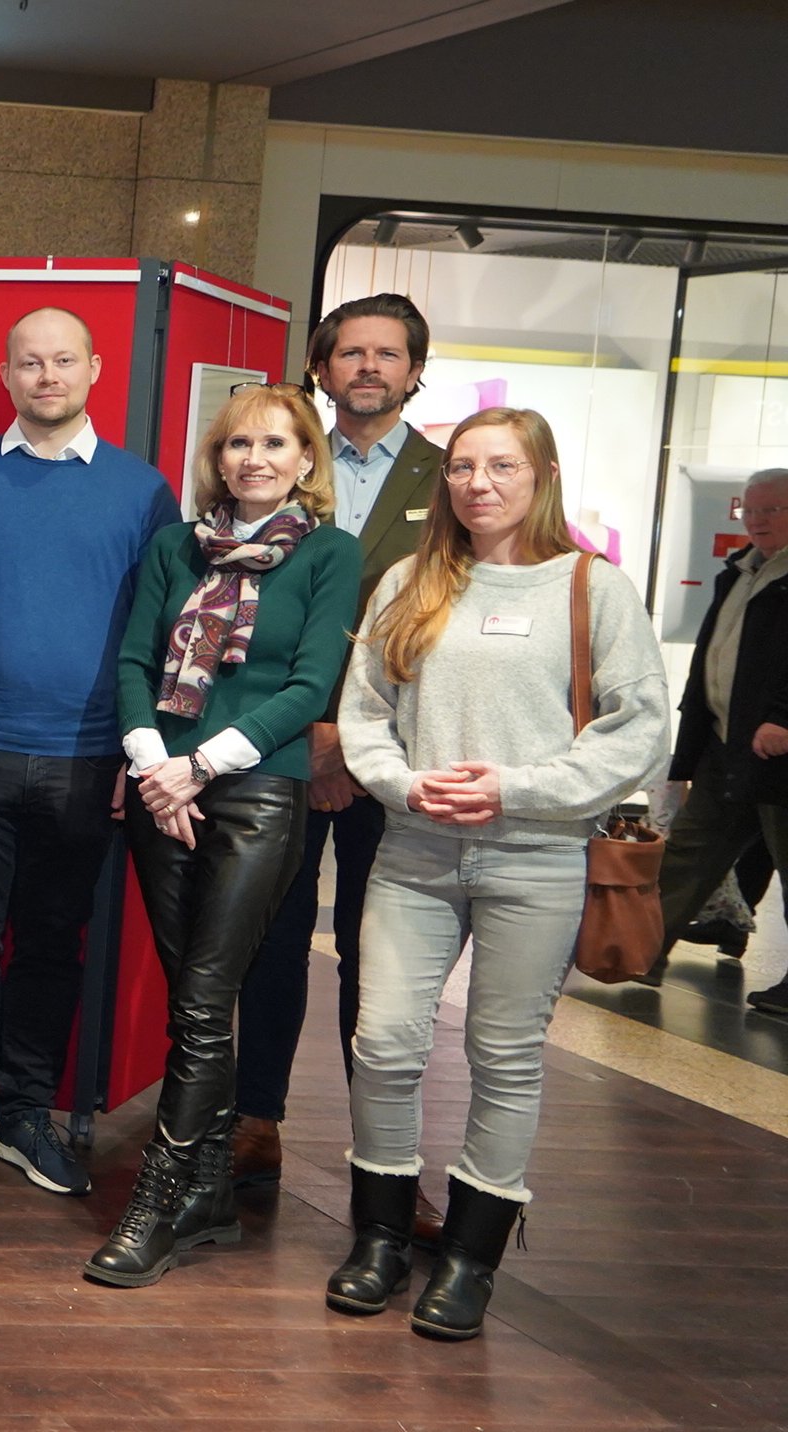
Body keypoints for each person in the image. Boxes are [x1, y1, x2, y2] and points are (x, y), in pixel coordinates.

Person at [330, 407, 668, 1340]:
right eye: (464, 467)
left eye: (501, 466)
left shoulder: (594, 588)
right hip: (416, 850)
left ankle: (472, 1259)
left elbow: (640, 729)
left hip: (540, 854)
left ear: (542, 473)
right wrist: (403, 782)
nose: (479, 483)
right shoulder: (413, 578)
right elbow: (365, 711)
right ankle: (381, 1239)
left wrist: (517, 788)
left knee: (505, 1058)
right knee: (386, 1043)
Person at [84, 386, 363, 1286]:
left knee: (207, 1000)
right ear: (219, 455)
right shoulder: (176, 545)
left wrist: (198, 766)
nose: (254, 457)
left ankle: (157, 1200)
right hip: (162, 787)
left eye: (275, 443)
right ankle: (208, 1194)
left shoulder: (328, 554)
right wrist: (150, 762)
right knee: (189, 1001)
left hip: (257, 792)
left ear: (305, 459)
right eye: (239, 442)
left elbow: (312, 684)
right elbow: (135, 659)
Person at [0, 306, 178, 1196]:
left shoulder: (143, 492)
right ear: (8, 372)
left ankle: (28, 1112)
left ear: (96, 368)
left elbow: (163, 632)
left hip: (89, 757)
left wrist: (137, 762)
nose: (47, 376)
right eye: (30, 362)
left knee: (55, 942)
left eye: (64, 361)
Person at [228, 294, 448, 1199]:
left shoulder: (451, 474)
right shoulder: (283, 460)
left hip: (397, 751)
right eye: (349, 352)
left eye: (385, 354)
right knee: (271, 938)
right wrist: (311, 729)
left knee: (380, 955)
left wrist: (354, 741)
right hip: (280, 741)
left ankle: (384, 1155)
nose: (367, 367)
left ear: (412, 369)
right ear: (321, 368)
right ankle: (254, 1123)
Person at [652, 469, 788, 1013]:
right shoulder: (737, 574)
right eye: (749, 511)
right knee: (686, 854)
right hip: (724, 745)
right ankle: (637, 947)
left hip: (777, 752)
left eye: (771, 510)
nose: (755, 521)